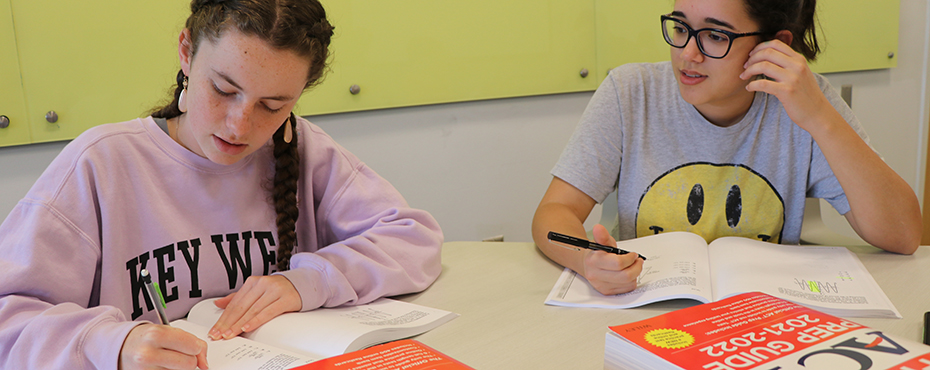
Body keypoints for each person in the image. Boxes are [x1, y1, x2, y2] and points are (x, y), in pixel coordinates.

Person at [0, 0, 443, 369]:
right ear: (186, 52)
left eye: (273, 105)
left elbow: (413, 238)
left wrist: (307, 281)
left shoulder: (302, 147)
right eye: (223, 90)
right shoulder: (100, 163)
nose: (240, 125)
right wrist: (111, 344)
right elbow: (8, 321)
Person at [532, 0, 921, 296]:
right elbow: (554, 212)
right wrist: (587, 259)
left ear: (774, 46)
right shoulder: (630, 93)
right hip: (645, 307)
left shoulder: (807, 102)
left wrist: (820, 118)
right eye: (680, 27)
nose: (688, 54)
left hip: (760, 316)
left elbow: (902, 235)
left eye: (716, 36)